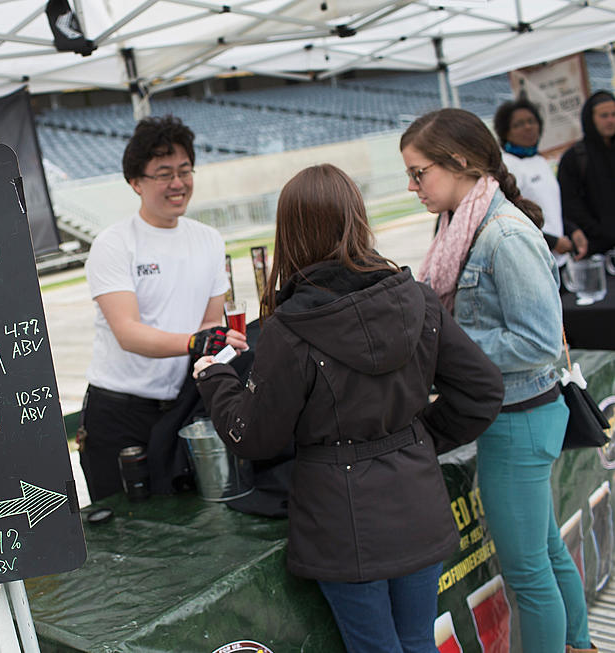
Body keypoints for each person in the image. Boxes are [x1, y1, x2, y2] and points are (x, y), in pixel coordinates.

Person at [192, 163, 503, 653]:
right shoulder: (414, 299)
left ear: (289, 233)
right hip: (412, 503)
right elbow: (482, 390)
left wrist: (213, 377)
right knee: (416, 642)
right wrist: (416, 439)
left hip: (344, 520)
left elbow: (253, 436)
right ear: (357, 219)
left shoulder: (292, 329)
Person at [400, 108, 595, 653]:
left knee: (528, 573)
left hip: (521, 419)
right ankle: (580, 643)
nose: (413, 186)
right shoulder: (463, 225)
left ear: (459, 162)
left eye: (420, 173)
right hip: (512, 416)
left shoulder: (503, 234)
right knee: (546, 553)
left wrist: (450, 351)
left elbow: (537, 342)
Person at [80, 114, 247, 502]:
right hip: (119, 414)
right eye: (164, 173)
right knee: (127, 533)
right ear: (135, 182)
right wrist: (197, 342)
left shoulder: (208, 240)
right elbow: (128, 332)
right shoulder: (114, 244)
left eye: (185, 170)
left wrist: (214, 344)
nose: (178, 183)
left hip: (184, 407)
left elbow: (209, 323)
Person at [494, 97, 588, 259]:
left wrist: (572, 230)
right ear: (505, 132)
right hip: (532, 256)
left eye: (532, 121)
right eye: (518, 124)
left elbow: (551, 207)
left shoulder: (539, 160)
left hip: (556, 259)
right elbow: (510, 215)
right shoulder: (505, 165)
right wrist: (552, 242)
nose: (528, 127)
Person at [558, 90, 615, 255]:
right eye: (604, 116)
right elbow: (569, 204)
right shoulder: (574, 157)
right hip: (594, 251)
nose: (610, 120)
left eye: (613, 114)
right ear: (591, 118)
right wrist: (600, 232)